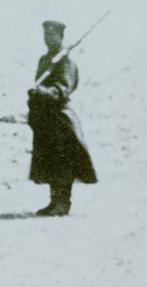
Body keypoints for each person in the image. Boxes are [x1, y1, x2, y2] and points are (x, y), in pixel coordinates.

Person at [28, 20, 97, 216]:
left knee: (63, 161)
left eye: (52, 35)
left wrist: (42, 91)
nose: (48, 39)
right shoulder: (44, 60)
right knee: (49, 160)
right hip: (45, 118)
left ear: (60, 37)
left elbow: (63, 89)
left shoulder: (66, 62)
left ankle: (63, 203)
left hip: (61, 118)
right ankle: (53, 201)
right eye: (45, 35)